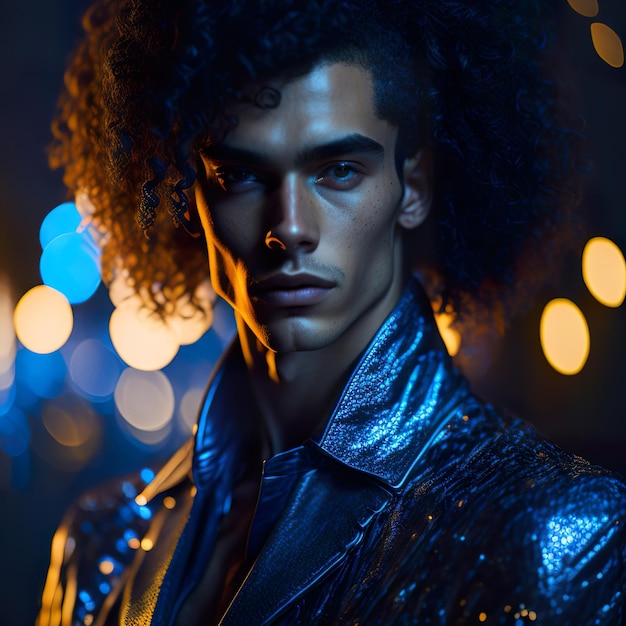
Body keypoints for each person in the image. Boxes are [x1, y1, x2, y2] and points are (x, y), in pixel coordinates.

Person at [37, 0, 626, 624]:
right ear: (189, 197)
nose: (288, 229)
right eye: (240, 175)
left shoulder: (550, 534)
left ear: (414, 188)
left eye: (339, 171)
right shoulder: (101, 544)